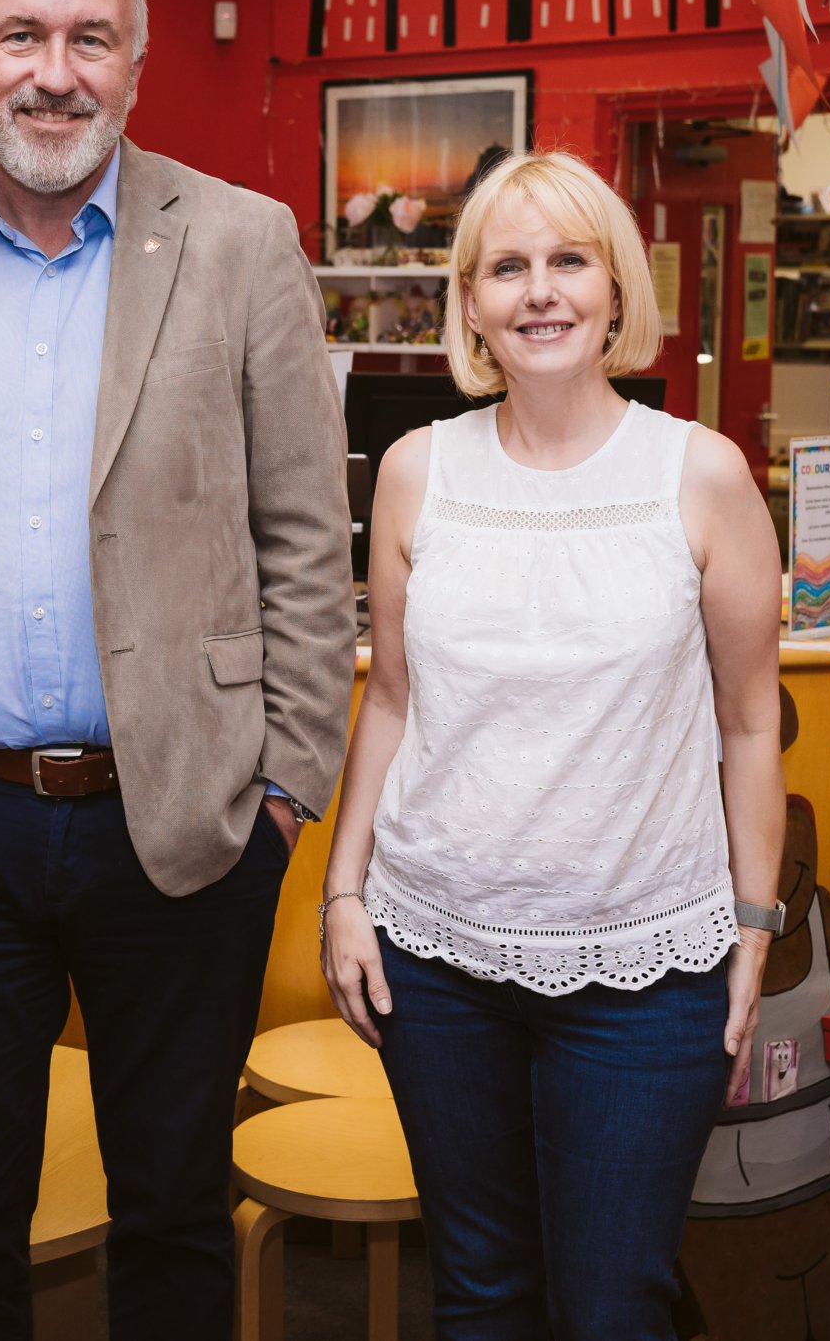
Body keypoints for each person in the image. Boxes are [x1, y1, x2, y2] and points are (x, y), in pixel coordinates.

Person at [0, 0, 355, 1341]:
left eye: (88, 38)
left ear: (136, 64)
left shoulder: (242, 244)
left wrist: (286, 786)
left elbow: (308, 540)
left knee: (172, 1209)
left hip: (183, 822)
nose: (54, 73)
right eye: (22, 35)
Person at [320, 149, 787, 1339]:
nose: (539, 290)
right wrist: (342, 891)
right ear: (469, 301)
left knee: (609, 1304)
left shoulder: (702, 475)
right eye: (507, 266)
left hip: (645, 972)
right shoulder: (418, 472)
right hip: (435, 956)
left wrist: (751, 924)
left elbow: (747, 722)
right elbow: (390, 700)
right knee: (476, 1291)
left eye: (567, 260)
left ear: (615, 289)